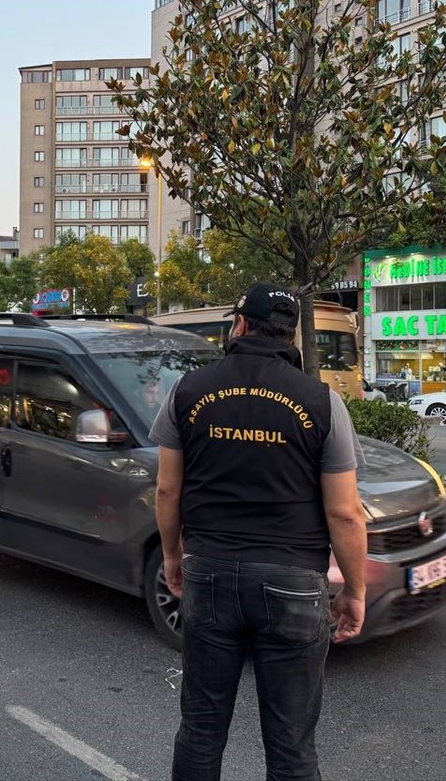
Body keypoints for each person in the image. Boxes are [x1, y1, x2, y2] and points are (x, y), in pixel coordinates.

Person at [148, 282, 368, 781]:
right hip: (292, 579)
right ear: (290, 335)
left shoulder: (188, 390)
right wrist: (354, 590)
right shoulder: (322, 402)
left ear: (241, 324)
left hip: (209, 571)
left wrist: (172, 557)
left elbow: (167, 491)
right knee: (290, 743)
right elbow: (346, 514)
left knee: (202, 728)